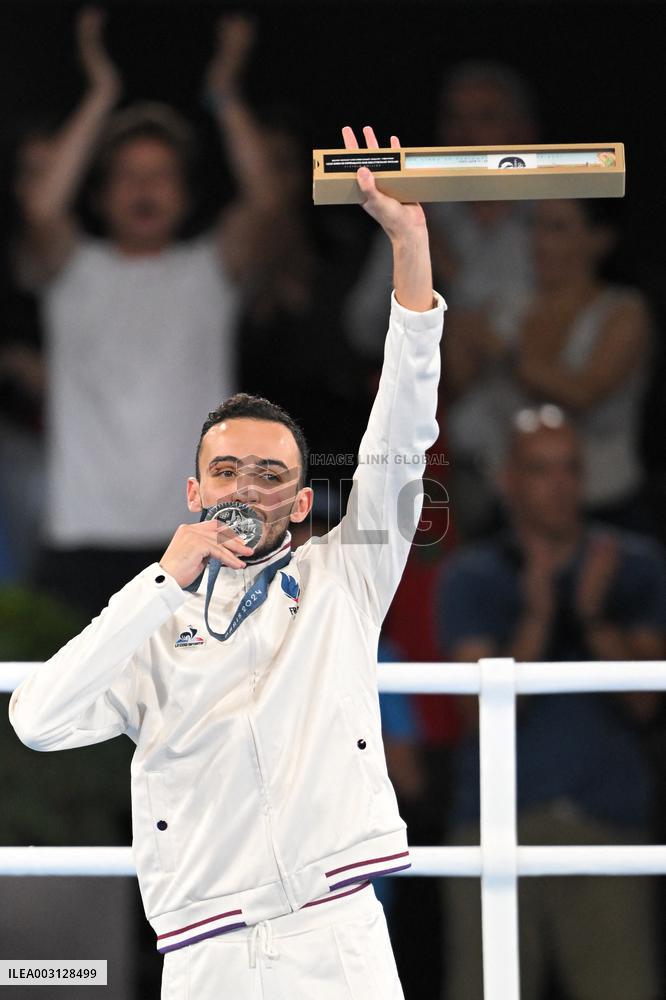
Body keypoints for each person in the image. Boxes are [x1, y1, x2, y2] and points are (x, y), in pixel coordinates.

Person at [9, 124, 446, 999]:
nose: (248, 485)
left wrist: (409, 244)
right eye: (227, 469)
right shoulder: (153, 619)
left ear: (298, 497)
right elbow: (37, 719)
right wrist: (159, 582)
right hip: (205, 949)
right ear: (194, 491)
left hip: (337, 932)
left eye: (273, 473)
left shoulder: (344, 581)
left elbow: (400, 438)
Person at [13, 10, 280, 617]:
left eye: (161, 177)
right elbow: (41, 207)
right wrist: (101, 94)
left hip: (193, 534)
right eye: (129, 176)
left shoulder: (209, 270)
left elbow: (266, 200)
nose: (145, 190)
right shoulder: (68, 269)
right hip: (79, 535)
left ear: (185, 195)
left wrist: (227, 93)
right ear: (102, 193)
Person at [436, 406, 666, 1000]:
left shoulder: (633, 565)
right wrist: (538, 614)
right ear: (509, 478)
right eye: (542, 470)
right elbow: (480, 718)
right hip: (495, 823)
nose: (560, 485)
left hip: (605, 820)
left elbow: (645, 702)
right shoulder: (472, 575)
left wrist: (592, 616)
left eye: (570, 469)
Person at [512, 198, 653, 529]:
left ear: (599, 239)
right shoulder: (511, 304)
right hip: (521, 507)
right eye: (534, 226)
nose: (539, 240)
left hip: (606, 504)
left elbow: (584, 393)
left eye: (557, 228)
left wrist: (510, 355)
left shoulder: (625, 312)